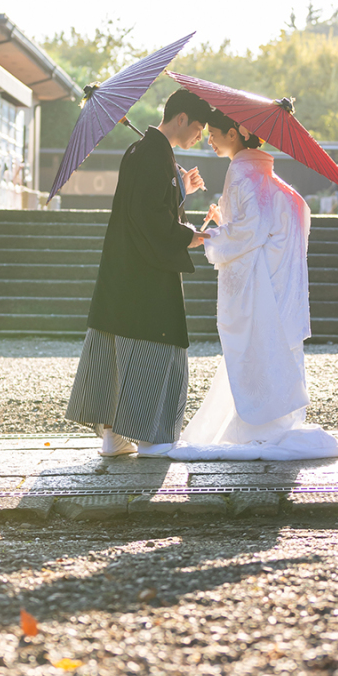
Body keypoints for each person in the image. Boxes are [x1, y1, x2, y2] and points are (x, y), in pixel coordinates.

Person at [168, 107, 338, 462]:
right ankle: (272, 421)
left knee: (255, 350)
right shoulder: (263, 172)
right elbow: (267, 220)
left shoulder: (241, 171)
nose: (210, 140)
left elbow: (250, 228)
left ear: (234, 134)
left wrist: (211, 235)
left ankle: (259, 428)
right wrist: (225, 221)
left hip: (258, 284)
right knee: (269, 350)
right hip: (277, 281)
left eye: (213, 134)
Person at [65, 88, 212, 457]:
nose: (199, 137)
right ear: (181, 118)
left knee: (118, 348)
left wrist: (180, 188)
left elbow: (148, 206)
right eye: (198, 129)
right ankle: (150, 437)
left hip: (126, 265)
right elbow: (150, 216)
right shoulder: (153, 154)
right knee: (151, 348)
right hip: (145, 272)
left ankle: (114, 435)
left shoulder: (144, 151)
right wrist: (188, 236)